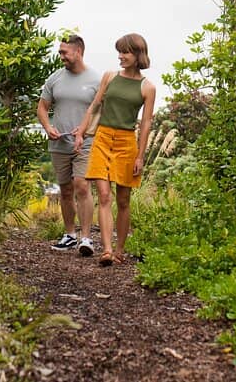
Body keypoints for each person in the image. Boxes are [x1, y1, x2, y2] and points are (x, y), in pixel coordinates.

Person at [75, 33, 156, 267]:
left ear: (138, 54)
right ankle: (107, 251)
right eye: (119, 52)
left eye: (125, 52)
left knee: (123, 200)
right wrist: (81, 133)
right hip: (102, 137)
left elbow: (147, 123)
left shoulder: (147, 88)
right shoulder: (109, 77)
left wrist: (140, 156)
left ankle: (119, 250)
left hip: (126, 142)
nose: (120, 56)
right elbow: (94, 105)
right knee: (104, 195)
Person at [37, 34, 101, 255]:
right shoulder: (55, 78)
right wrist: (47, 127)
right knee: (65, 190)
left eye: (65, 52)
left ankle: (86, 239)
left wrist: (85, 130)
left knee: (82, 186)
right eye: (60, 51)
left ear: (78, 52)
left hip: (86, 142)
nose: (61, 55)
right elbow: (42, 108)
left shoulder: (96, 79)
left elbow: (101, 112)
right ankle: (69, 235)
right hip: (59, 142)